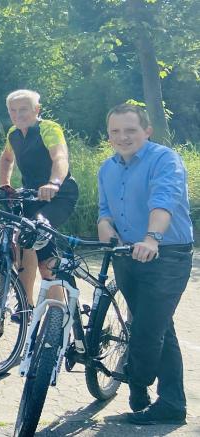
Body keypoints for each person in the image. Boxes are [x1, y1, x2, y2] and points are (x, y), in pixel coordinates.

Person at [97, 103, 193, 425]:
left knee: (148, 331)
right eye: (115, 132)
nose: (122, 137)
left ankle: (136, 384)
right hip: (127, 255)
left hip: (166, 253)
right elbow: (104, 212)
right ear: (109, 135)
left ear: (147, 131)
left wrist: (152, 238)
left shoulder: (165, 159)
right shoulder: (106, 169)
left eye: (130, 130)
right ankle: (172, 405)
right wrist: (106, 229)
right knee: (159, 325)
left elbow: (163, 200)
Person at [0, 90, 77, 305]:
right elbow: (6, 158)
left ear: (37, 110)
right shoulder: (13, 132)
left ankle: (58, 310)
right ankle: (26, 306)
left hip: (59, 195)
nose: (18, 114)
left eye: (23, 109)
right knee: (23, 248)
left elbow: (60, 157)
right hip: (31, 196)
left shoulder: (49, 129)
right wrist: (5, 183)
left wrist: (53, 183)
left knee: (44, 254)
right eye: (13, 110)